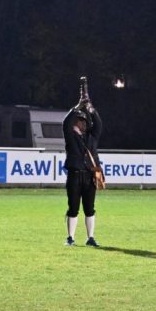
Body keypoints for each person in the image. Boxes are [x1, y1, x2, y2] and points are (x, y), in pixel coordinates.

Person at [62, 78, 103, 247]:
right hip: (74, 175)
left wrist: (91, 108)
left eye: (84, 120)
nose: (82, 122)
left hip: (89, 176)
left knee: (90, 208)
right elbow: (66, 122)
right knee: (73, 208)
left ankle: (90, 237)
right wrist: (78, 107)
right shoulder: (71, 136)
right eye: (80, 120)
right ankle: (70, 237)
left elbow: (98, 124)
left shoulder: (92, 137)